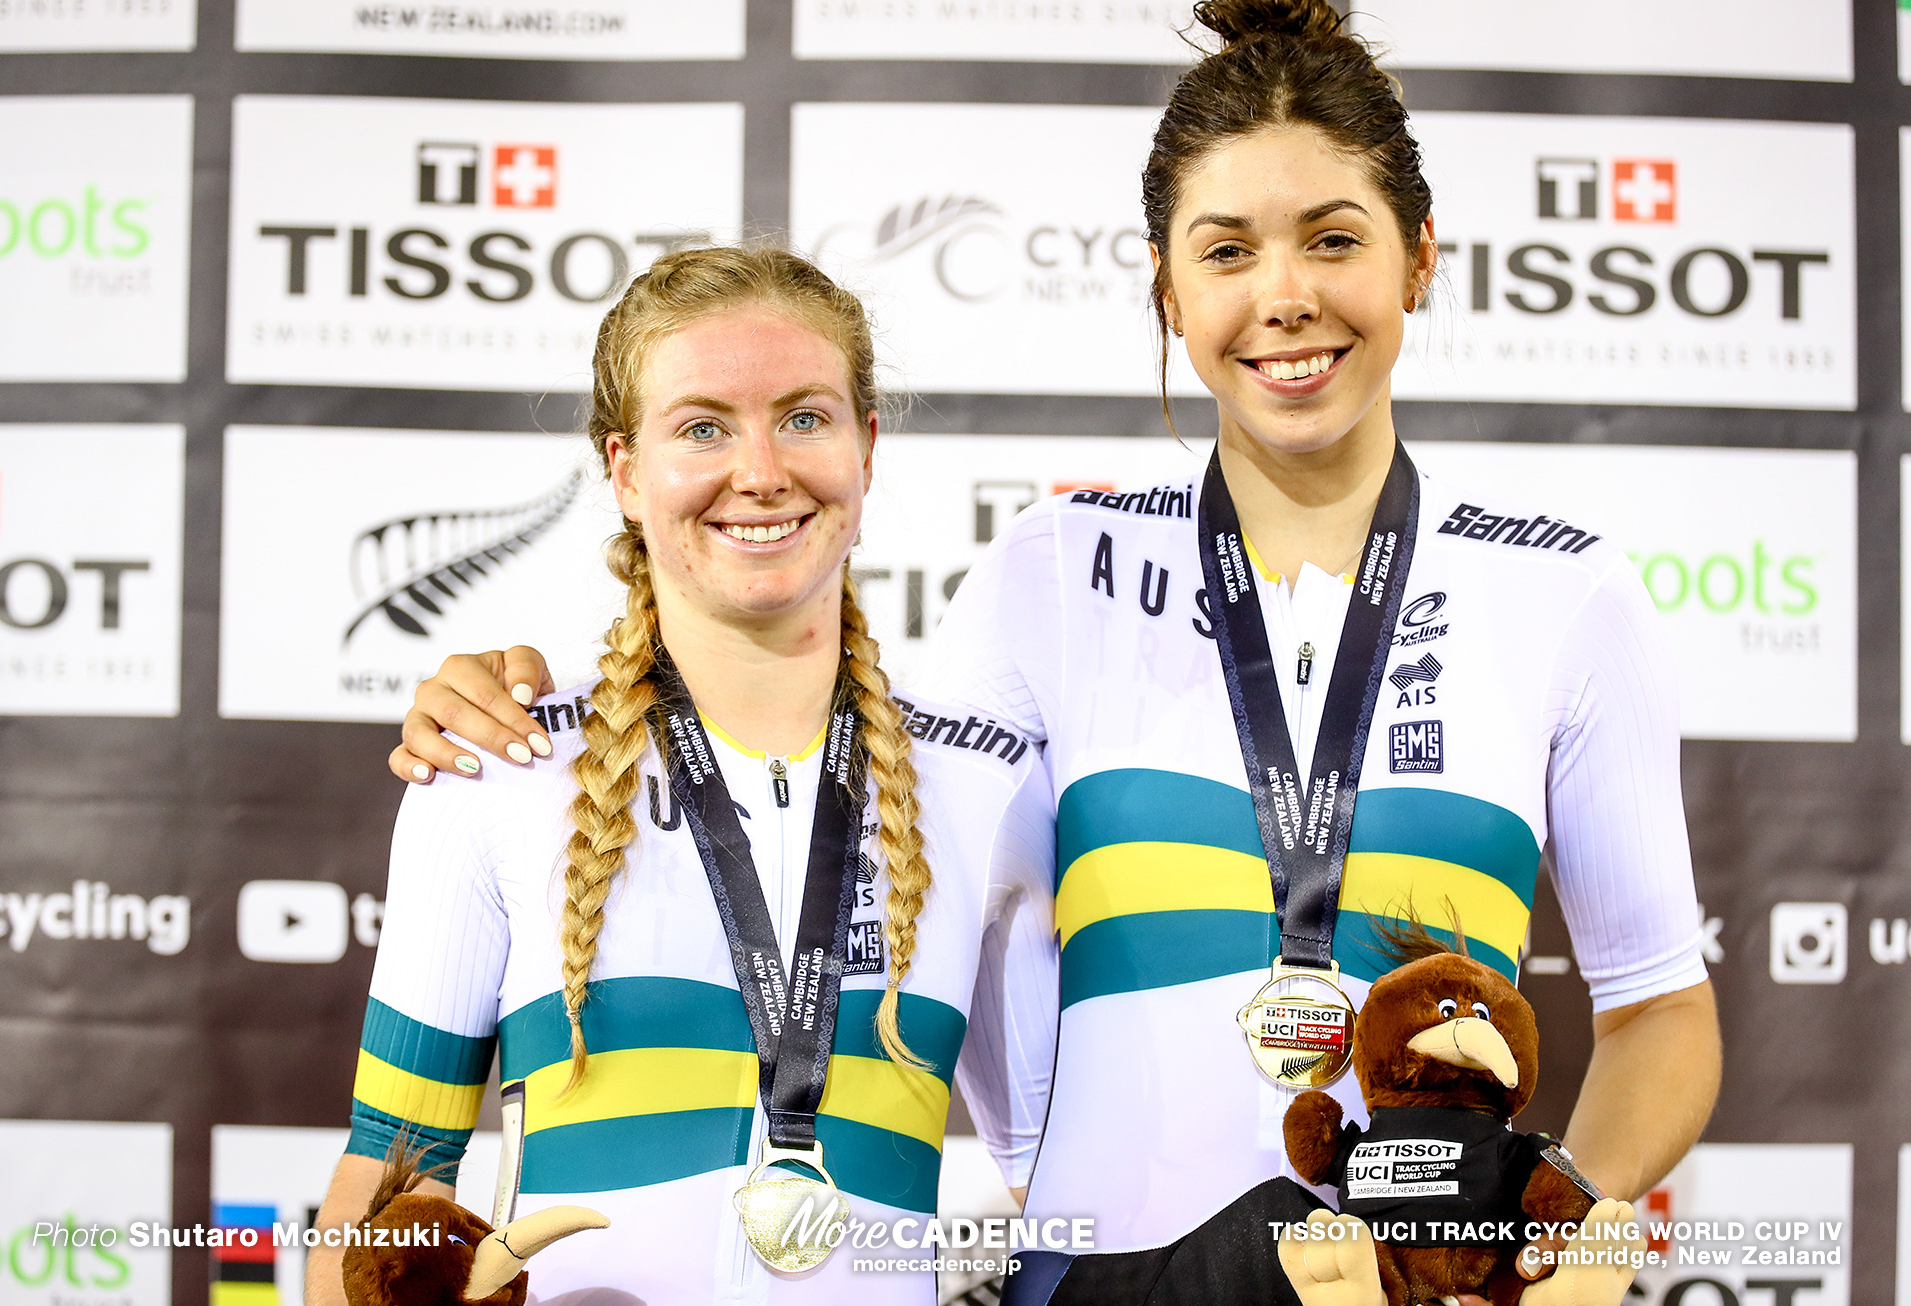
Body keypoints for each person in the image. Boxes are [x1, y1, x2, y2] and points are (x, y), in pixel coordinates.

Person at [387, 2, 1722, 1302]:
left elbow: (1662, 1007)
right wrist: (533, 694)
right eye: (1227, 250)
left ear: (1421, 256)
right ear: (1164, 283)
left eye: (1334, 238)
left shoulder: (1559, 588)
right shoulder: (1047, 569)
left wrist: (1549, 1239)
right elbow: (881, 824)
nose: (1287, 296)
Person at [307, 246, 1059, 1306]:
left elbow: (1055, 1189)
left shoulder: (988, 783)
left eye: (804, 416)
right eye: (703, 426)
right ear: (622, 469)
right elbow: (383, 1186)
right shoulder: (497, 761)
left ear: (866, 445)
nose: (760, 470)